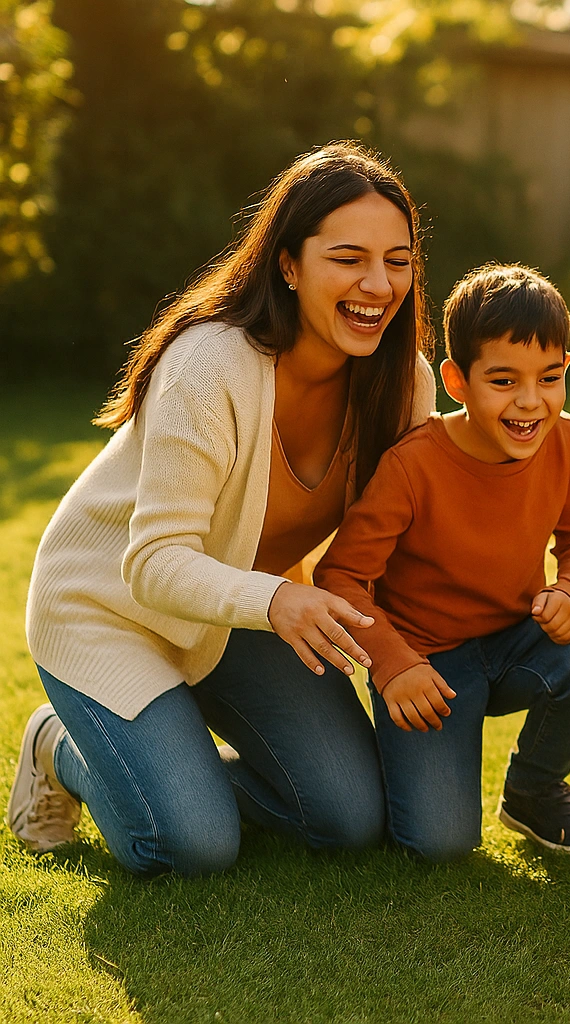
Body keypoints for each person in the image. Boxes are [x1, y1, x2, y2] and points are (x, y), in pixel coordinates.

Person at [7, 142, 438, 875]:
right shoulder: (211, 365)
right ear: (289, 264)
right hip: (110, 606)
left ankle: (171, 770)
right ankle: (64, 746)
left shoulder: (403, 384)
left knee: (349, 817)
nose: (378, 283)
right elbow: (154, 561)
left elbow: (402, 541)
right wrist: (278, 601)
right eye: (348, 258)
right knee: (192, 845)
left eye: (397, 261)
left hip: (241, 608)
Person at [313, 263, 570, 861]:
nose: (530, 402)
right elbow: (341, 577)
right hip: (427, 670)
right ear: (457, 380)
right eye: (503, 381)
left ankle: (532, 792)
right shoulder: (413, 465)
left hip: (515, 645)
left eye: (549, 378)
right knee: (439, 845)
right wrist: (394, 664)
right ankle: (368, 771)